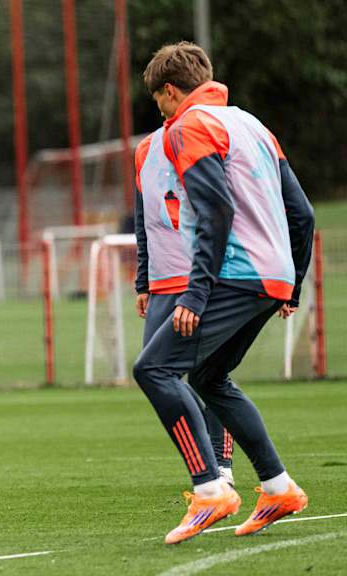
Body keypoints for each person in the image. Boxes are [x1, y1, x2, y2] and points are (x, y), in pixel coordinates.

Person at [133, 42, 314, 544]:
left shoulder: (190, 126)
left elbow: (215, 213)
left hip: (233, 274)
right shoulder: (251, 124)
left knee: (154, 370)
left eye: (159, 100)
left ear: (171, 91)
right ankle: (278, 488)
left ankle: (211, 489)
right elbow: (302, 213)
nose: (161, 112)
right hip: (272, 276)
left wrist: (195, 294)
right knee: (210, 377)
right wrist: (292, 283)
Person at [132, 126, 236, 487]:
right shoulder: (144, 150)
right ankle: (208, 453)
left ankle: (221, 465)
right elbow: (143, 219)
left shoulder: (205, 139)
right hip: (162, 284)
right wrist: (143, 281)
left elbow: (226, 209)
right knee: (154, 372)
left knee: (209, 374)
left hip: (201, 280)